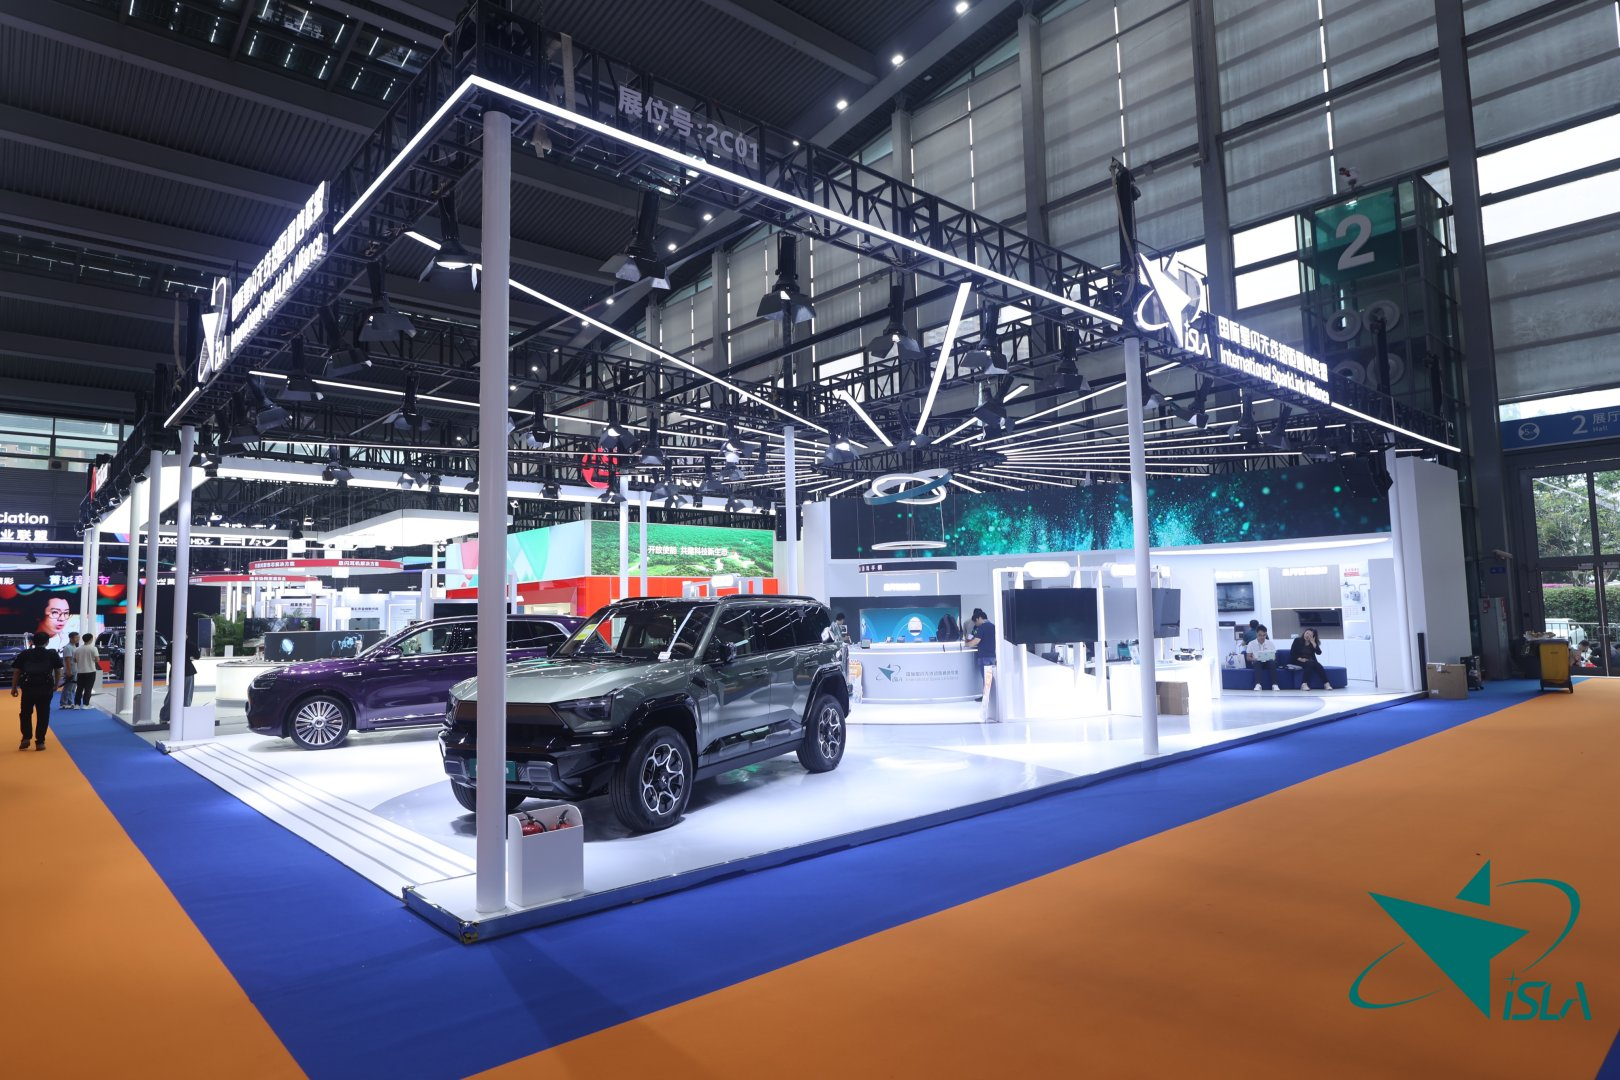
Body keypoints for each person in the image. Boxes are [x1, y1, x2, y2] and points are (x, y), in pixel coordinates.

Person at [10, 631, 62, 751]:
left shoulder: (25, 653)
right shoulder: (52, 654)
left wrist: (14, 687)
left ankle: (26, 737)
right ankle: (40, 742)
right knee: (43, 714)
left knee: (25, 713)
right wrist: (56, 684)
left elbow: (17, 671)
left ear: (33, 642)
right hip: (45, 687)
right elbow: (58, 670)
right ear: (47, 642)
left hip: (28, 687)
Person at [963, 608, 998, 722]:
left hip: (984, 657)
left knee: (986, 681)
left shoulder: (982, 627)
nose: (975, 624)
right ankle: (991, 701)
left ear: (979, 618)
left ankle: (986, 703)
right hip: (992, 656)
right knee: (990, 680)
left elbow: (975, 641)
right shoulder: (993, 626)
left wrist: (967, 644)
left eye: (976, 621)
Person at [1245, 626, 1278, 690]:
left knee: (1272, 663)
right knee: (1257, 663)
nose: (1262, 637)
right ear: (1256, 634)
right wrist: (1254, 659)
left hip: (1268, 662)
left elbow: (1274, 657)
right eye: (1260, 635)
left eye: (1264, 635)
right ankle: (1258, 684)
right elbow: (1248, 658)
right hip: (1257, 662)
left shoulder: (1270, 643)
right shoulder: (1251, 643)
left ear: (1266, 634)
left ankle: (1275, 685)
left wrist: (1271, 658)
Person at [74, 633, 99, 708]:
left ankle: (77, 704)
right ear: (91, 639)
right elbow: (97, 659)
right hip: (91, 671)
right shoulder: (93, 648)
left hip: (80, 671)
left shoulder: (77, 649)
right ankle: (85, 704)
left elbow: (75, 660)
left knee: (79, 688)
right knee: (88, 688)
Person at [58, 631, 80, 710]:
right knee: (68, 687)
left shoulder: (74, 647)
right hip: (70, 670)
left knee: (72, 688)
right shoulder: (68, 647)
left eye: (78, 637)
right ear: (71, 638)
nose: (78, 639)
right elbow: (67, 660)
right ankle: (63, 703)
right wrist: (68, 671)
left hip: (74, 669)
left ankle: (70, 702)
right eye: (76, 637)